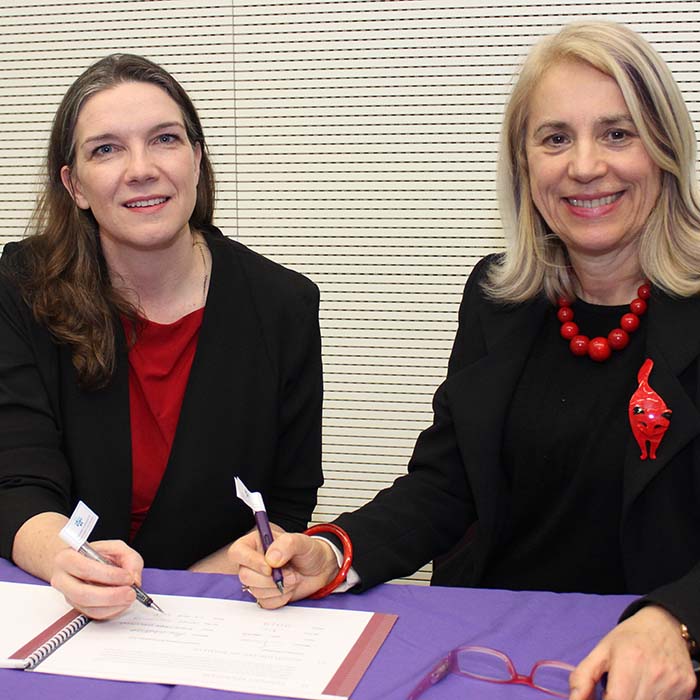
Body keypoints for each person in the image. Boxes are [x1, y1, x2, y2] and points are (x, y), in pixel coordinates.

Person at [231, 21, 700, 700]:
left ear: (663, 149)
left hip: (652, 669)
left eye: (617, 133)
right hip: (493, 658)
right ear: (524, 162)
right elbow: (447, 485)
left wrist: (676, 620)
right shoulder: (496, 298)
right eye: (555, 138)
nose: (585, 164)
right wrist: (334, 553)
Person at [0, 54, 323, 620]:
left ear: (197, 161)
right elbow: (15, 477)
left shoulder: (283, 305)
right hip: (59, 603)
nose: (141, 168)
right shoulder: (21, 289)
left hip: (215, 609)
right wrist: (66, 561)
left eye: (165, 139)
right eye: (106, 148)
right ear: (74, 185)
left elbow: (285, 501)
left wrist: (183, 597)